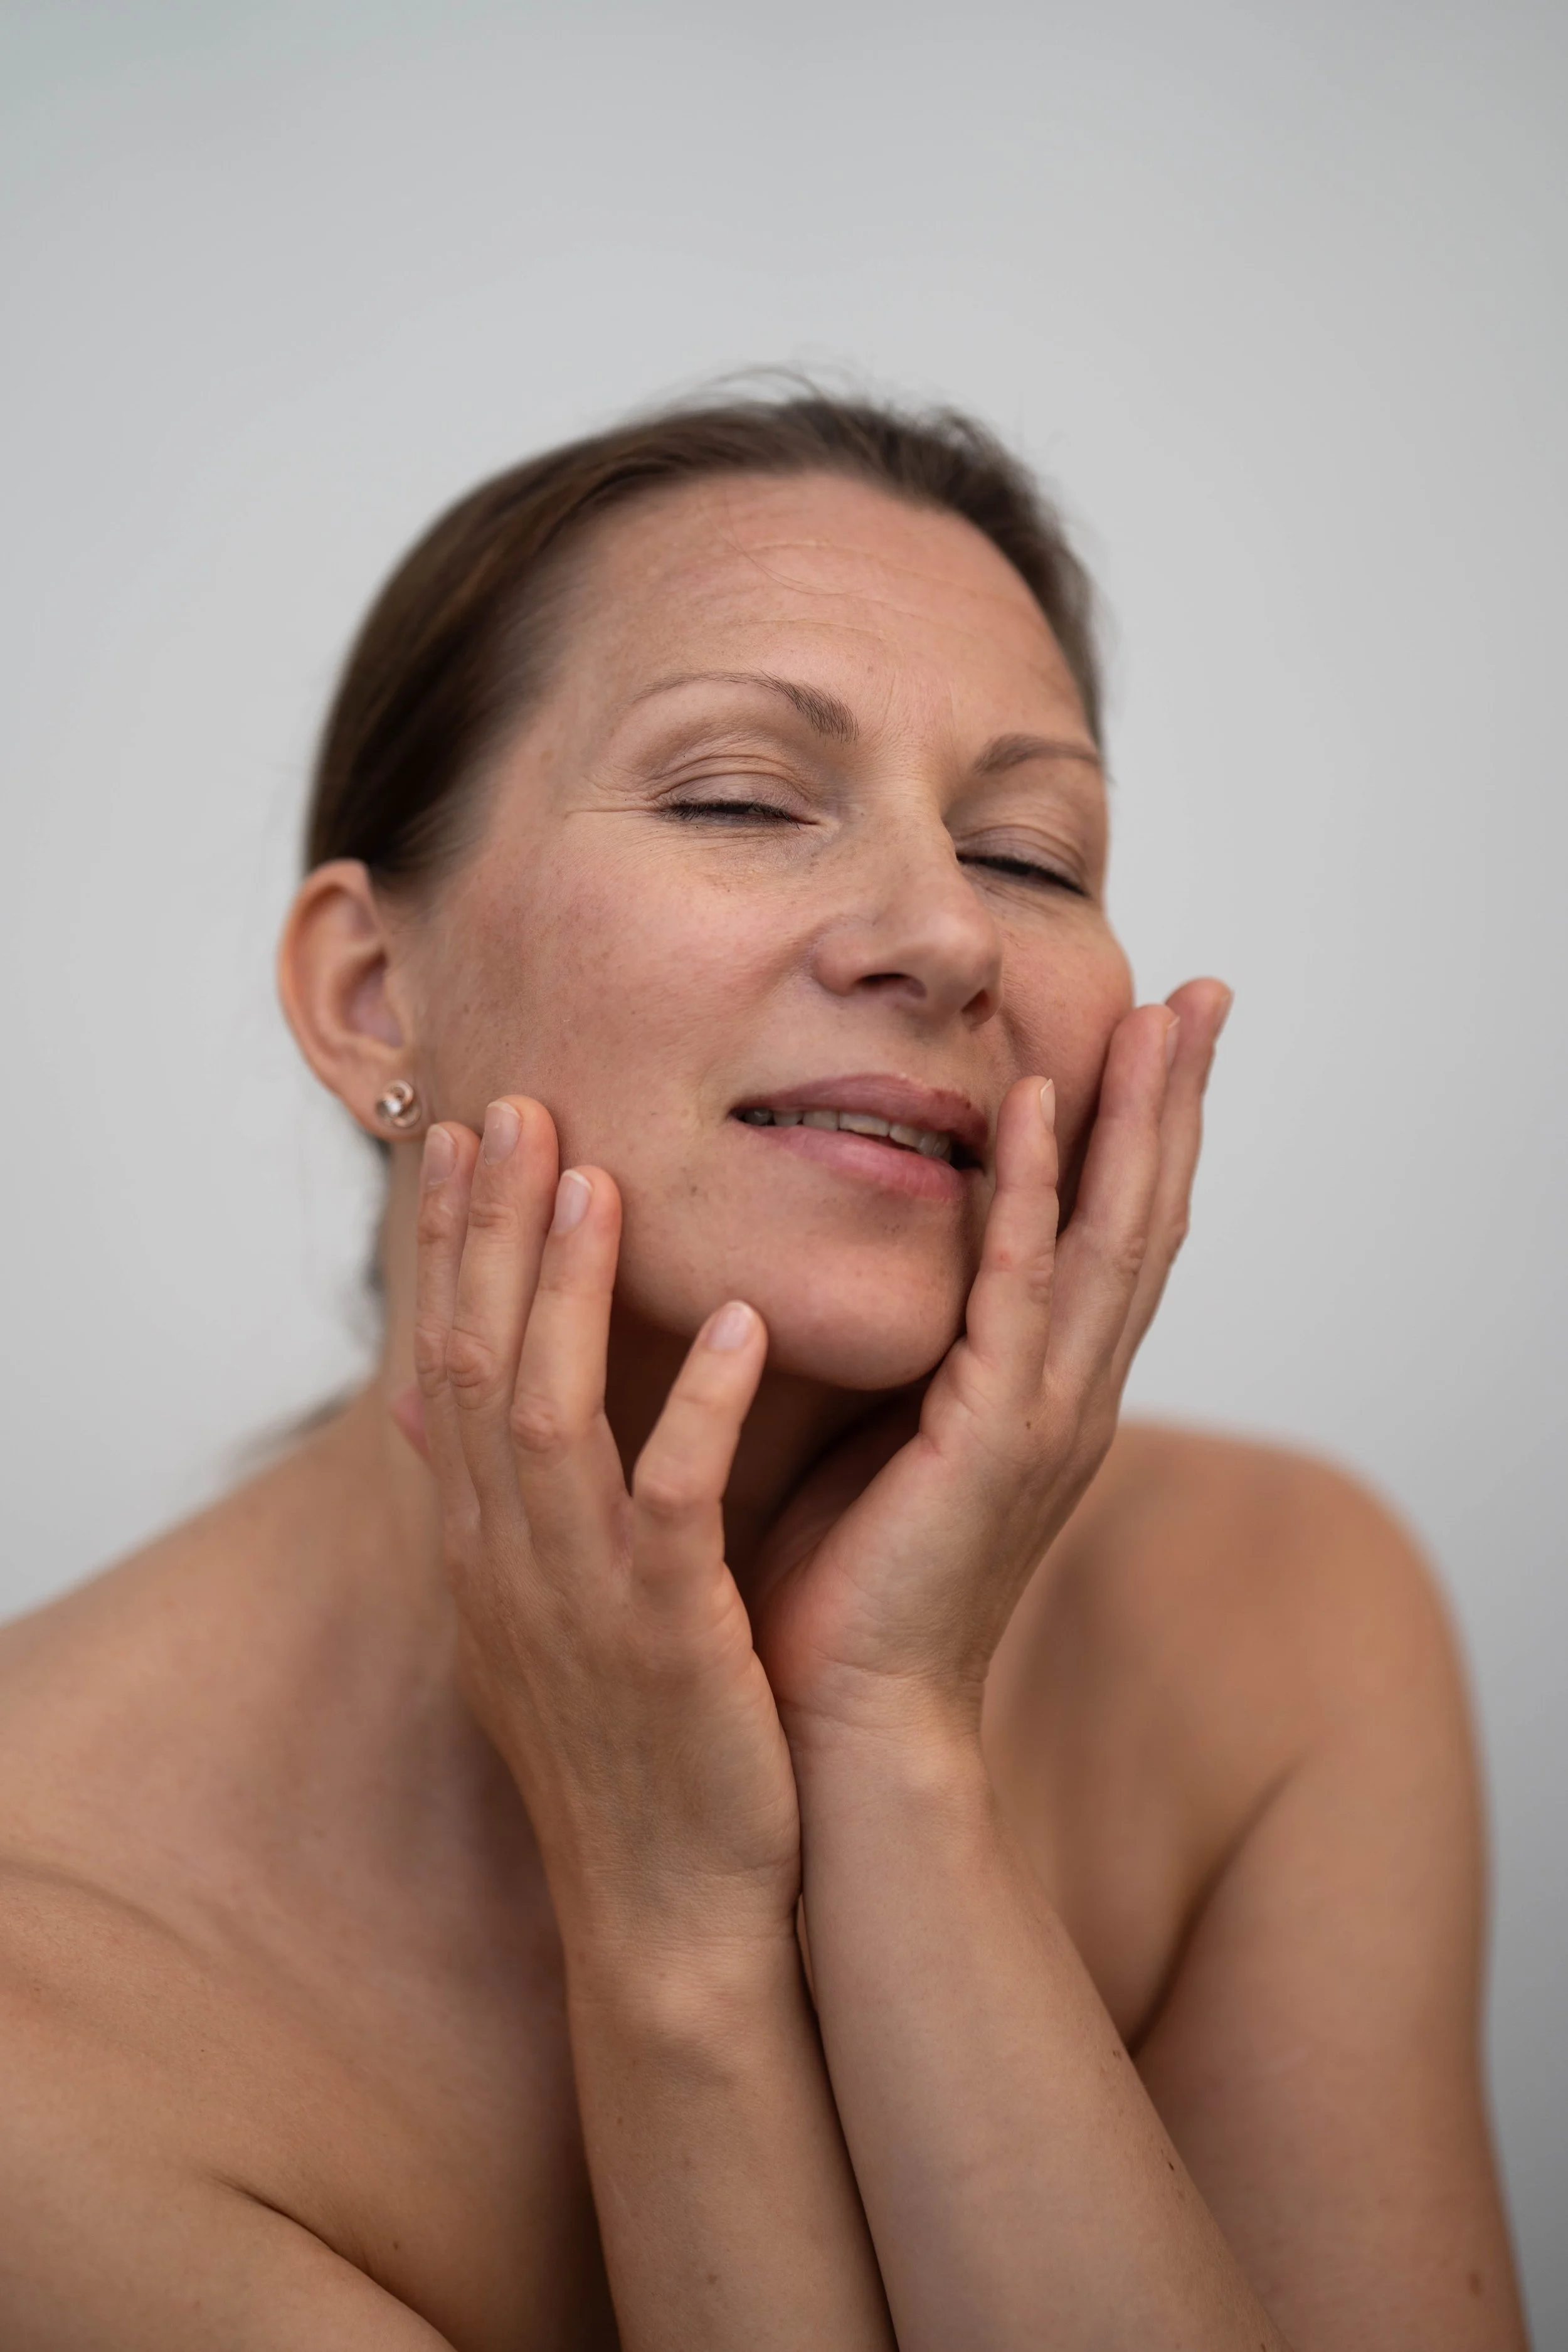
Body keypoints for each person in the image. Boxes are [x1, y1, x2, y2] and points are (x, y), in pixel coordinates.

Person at [0, 389, 1526, 2351]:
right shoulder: (46, 1988)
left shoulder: (1275, 1612)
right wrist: (673, 1937)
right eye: (736, 794)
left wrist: (889, 1739)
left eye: (1028, 851)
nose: (940, 931)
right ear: (373, 993)